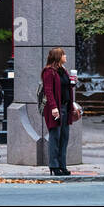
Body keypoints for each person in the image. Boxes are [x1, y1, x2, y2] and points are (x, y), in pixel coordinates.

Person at [41, 46, 81, 175]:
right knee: (55, 137)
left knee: (64, 137)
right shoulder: (49, 72)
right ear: (58, 57)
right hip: (55, 109)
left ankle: (62, 165)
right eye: (64, 55)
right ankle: (54, 165)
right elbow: (48, 91)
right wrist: (53, 107)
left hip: (65, 107)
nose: (66, 57)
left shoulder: (63, 70)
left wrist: (72, 83)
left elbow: (65, 88)